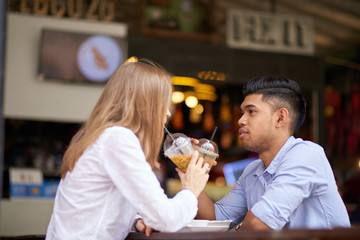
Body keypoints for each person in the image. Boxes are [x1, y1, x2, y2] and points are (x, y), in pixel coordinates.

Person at [46, 58, 210, 240]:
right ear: (146, 105)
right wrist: (191, 190)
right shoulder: (117, 139)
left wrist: (136, 222)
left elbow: (100, 207)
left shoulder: (102, 137)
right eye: (163, 103)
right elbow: (167, 219)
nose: (168, 113)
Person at [196, 76, 351, 230]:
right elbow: (216, 217)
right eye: (242, 112)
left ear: (280, 117)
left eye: (251, 111)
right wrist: (186, 163)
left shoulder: (306, 154)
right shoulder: (252, 171)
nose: (241, 120)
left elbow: (259, 224)